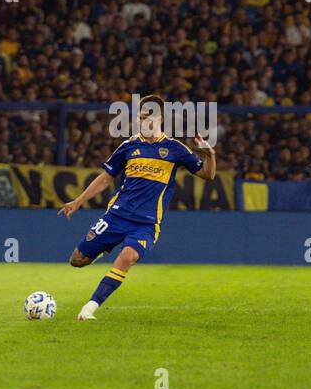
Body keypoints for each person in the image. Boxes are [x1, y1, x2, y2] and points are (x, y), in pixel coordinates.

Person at [59, 94, 216, 321]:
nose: (144, 121)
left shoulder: (175, 149)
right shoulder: (128, 146)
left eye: (148, 116)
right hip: (116, 216)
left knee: (128, 256)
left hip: (146, 223)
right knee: (77, 260)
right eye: (141, 116)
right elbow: (105, 178)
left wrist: (210, 155)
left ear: (161, 118)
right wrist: (78, 201)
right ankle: (101, 249)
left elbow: (207, 175)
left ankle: (89, 308)